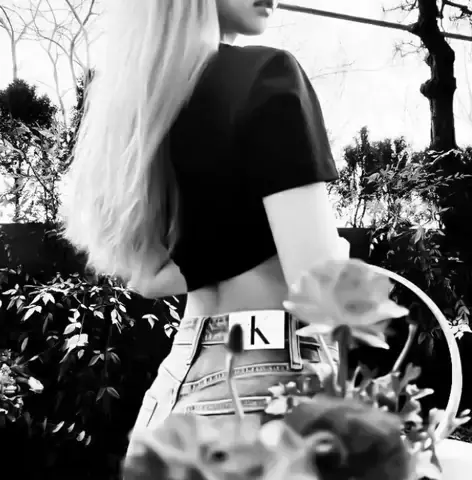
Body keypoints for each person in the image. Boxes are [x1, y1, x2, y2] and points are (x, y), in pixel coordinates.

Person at [60, 0, 349, 455]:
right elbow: (319, 290)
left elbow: (149, 278)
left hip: (175, 387)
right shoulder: (268, 74)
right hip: (269, 384)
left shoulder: (144, 103)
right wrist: (336, 250)